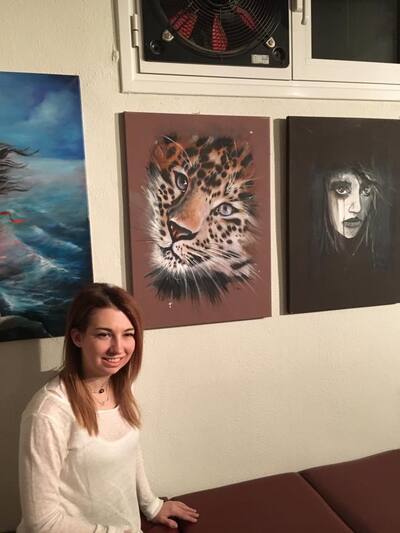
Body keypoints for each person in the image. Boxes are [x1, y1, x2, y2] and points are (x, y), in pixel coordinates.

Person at [17, 283, 199, 532]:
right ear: (77, 337)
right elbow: (41, 523)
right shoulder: (48, 413)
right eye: (104, 334)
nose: (118, 348)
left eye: (128, 334)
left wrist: (152, 505)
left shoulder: (120, 386)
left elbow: (129, 451)